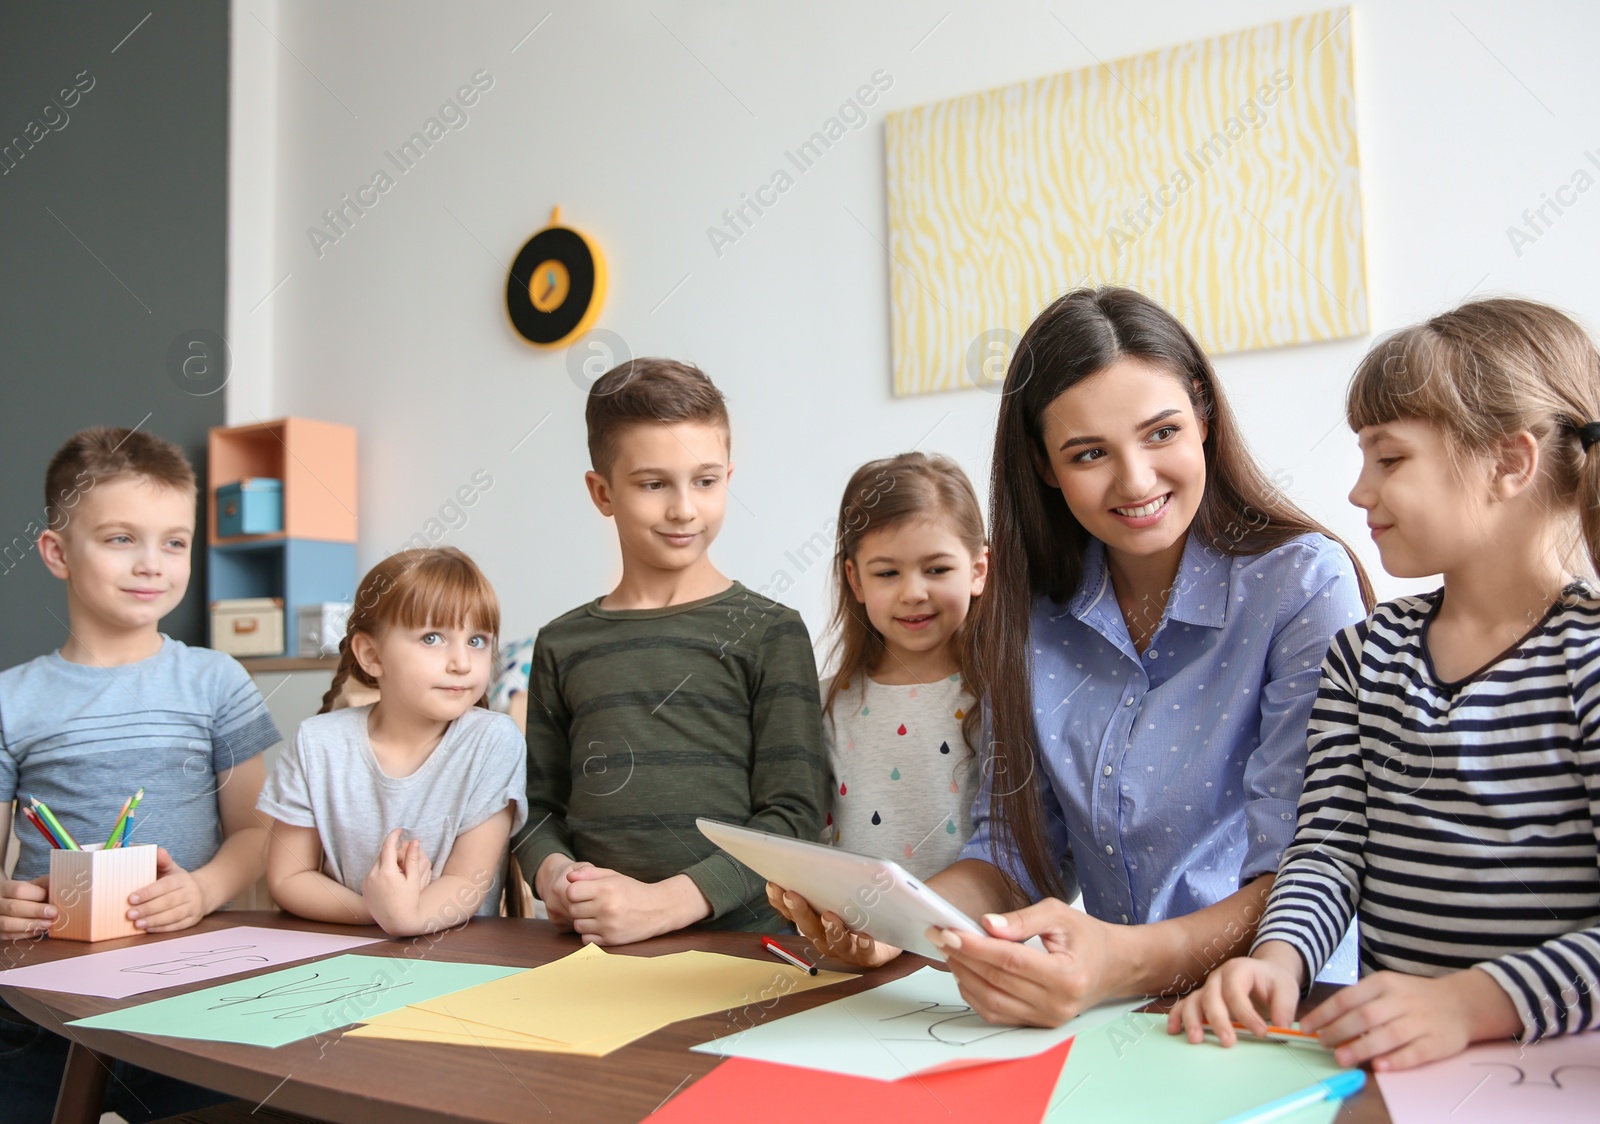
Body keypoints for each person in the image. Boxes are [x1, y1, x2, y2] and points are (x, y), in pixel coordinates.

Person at [774, 286, 1372, 1026]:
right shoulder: (1027, 616)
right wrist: (895, 925)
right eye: (1089, 453)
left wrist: (1120, 962)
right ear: (1045, 466)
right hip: (1107, 1016)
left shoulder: (1302, 584)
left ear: (1205, 419)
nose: (1136, 481)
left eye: (1161, 433)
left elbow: (1310, 862)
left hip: (1281, 1010)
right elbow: (1015, 856)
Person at [1173, 297, 1600, 1070]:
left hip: (1558, 1074)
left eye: (1390, 458)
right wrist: (1278, 961)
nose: (1359, 492)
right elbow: (1330, 848)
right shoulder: (1365, 655)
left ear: (1509, 462)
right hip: (1402, 1071)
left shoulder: (1588, 661)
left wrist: (1468, 1005)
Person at [0, 426, 279, 1121]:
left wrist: (203, 888)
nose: (152, 563)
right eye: (121, 538)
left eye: (175, 541)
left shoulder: (216, 680)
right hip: (43, 1000)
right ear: (58, 553)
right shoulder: (12, 698)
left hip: (190, 993)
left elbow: (258, 831)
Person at [515, 359, 829, 943]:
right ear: (602, 492)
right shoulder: (562, 643)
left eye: (705, 481)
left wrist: (663, 905)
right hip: (590, 956)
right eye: (654, 484)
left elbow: (794, 821)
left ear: (728, 478)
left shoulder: (771, 632)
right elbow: (537, 810)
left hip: (745, 954)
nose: (684, 508)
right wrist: (554, 874)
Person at [259, 547, 526, 936]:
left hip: (458, 963)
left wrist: (406, 916)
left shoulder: (493, 741)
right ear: (371, 654)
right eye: (432, 638)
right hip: (346, 956)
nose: (462, 663)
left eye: (477, 641)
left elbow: (467, 882)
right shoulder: (316, 743)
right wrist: (382, 912)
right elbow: (289, 877)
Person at [821, 452, 987, 879]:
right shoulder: (825, 704)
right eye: (888, 573)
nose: (913, 592)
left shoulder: (1003, 696)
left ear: (978, 570)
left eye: (936, 569)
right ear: (856, 580)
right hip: (856, 937)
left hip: (974, 941)